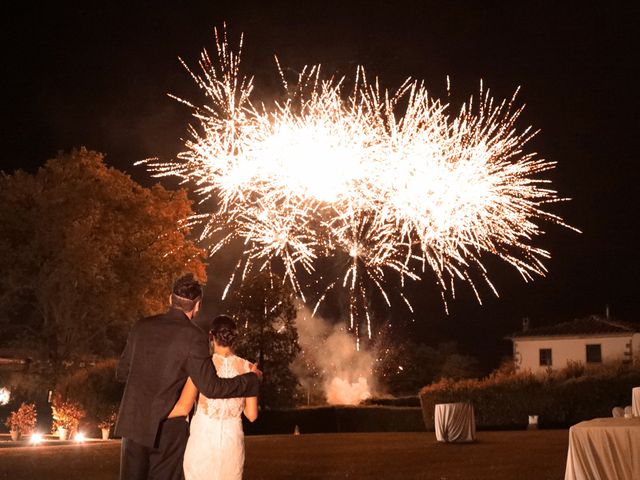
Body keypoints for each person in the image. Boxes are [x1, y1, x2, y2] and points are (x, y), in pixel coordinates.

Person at [115, 274, 261, 480]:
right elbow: (212, 388)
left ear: (169, 299)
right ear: (197, 305)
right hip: (169, 429)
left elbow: (122, 373)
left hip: (134, 423)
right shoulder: (194, 337)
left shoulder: (141, 327)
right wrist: (251, 380)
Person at [178, 315, 258, 480]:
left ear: (211, 336)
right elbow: (252, 415)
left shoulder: (202, 366)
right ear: (234, 337)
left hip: (203, 442)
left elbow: (184, 406)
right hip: (232, 444)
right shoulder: (248, 368)